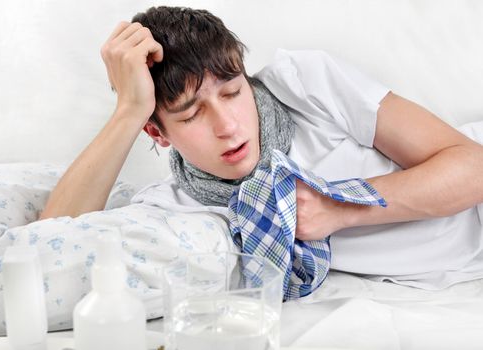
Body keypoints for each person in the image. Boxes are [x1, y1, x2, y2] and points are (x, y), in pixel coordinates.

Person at [40, 6, 483, 289]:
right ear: (157, 133)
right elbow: (47, 245)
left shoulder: (305, 85)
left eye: (232, 93)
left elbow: (473, 165)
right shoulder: (175, 207)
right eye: (192, 115)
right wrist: (129, 110)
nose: (228, 126)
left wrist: (340, 209)